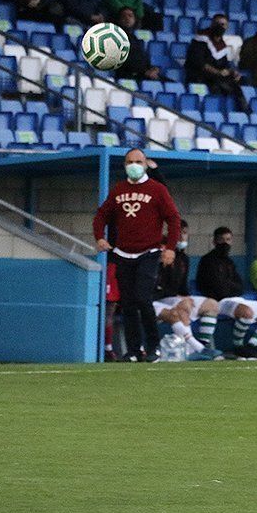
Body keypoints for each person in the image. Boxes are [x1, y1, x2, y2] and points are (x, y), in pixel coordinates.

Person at [93, 148, 181, 363]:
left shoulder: (157, 189)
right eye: (129, 161)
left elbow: (174, 219)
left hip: (148, 252)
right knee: (129, 303)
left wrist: (170, 247)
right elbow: (101, 215)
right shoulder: (118, 189)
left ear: (144, 164)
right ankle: (134, 350)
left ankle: (154, 346)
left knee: (143, 299)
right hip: (123, 253)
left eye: (138, 161)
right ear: (125, 165)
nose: (134, 165)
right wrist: (99, 237)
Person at [196, 227, 257, 359]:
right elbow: (217, 287)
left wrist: (230, 286)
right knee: (246, 312)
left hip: (237, 299)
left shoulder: (229, 262)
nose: (225, 243)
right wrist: (230, 287)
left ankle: (250, 345)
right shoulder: (207, 260)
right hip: (217, 302)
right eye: (221, 240)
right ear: (214, 242)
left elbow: (239, 286)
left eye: (228, 240)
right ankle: (238, 346)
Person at [152, 220, 223, 361]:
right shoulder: (157, 256)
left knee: (212, 304)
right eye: (177, 233)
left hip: (173, 297)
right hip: (156, 298)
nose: (181, 237)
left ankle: (202, 345)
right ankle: (194, 350)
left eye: (184, 233)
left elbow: (182, 286)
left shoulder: (183, 258)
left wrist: (185, 296)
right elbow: (156, 287)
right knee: (183, 306)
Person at [185, 14, 249, 112]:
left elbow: (224, 65)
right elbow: (198, 62)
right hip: (199, 75)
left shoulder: (222, 44)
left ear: (226, 27)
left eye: (223, 25)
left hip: (216, 76)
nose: (220, 27)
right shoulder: (201, 39)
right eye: (217, 24)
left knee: (241, 82)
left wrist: (232, 72)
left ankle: (245, 112)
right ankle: (216, 112)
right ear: (212, 24)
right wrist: (217, 72)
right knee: (218, 86)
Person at [114, 6, 161, 81]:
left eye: (130, 16)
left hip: (144, 74)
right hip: (129, 76)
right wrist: (144, 72)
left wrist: (153, 69)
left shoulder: (135, 39)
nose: (127, 18)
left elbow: (143, 59)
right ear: (119, 20)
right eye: (124, 16)